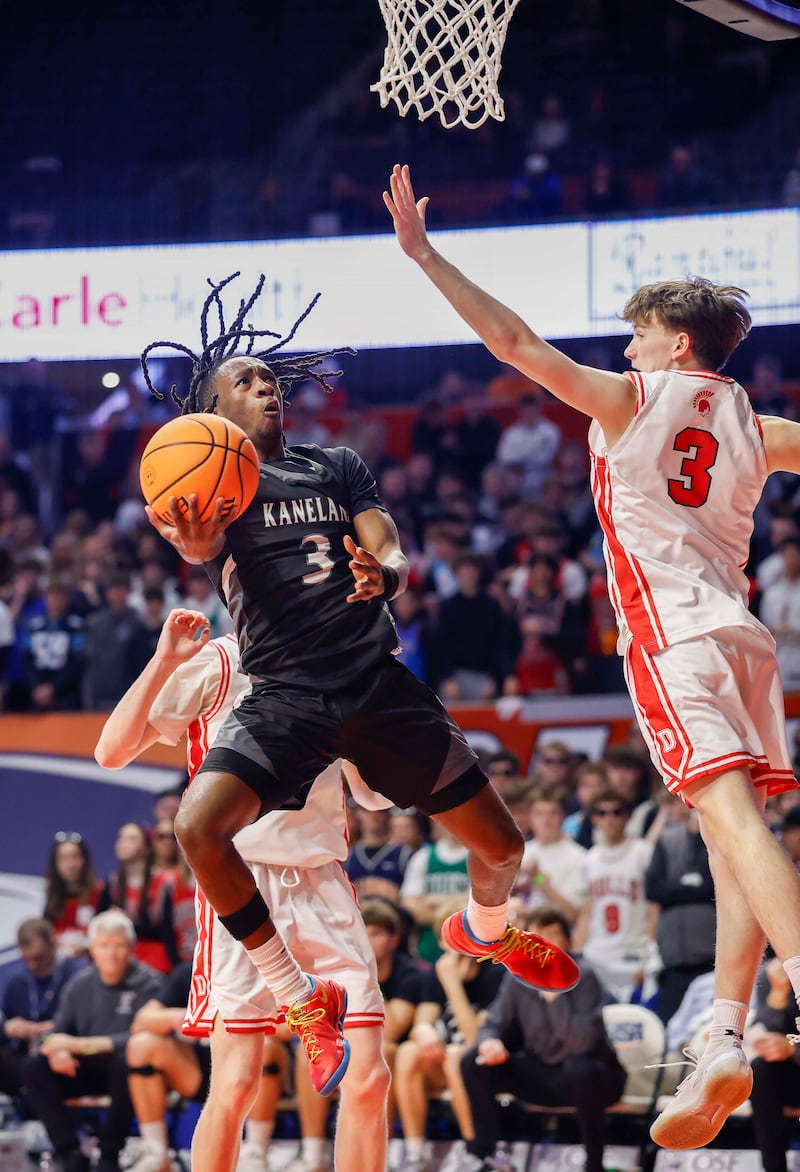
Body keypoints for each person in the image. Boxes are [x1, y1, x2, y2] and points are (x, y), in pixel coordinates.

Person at [384, 160, 800, 1150]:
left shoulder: (629, 398)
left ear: (673, 342)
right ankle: (724, 1033)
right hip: (743, 636)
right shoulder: (755, 420)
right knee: (727, 833)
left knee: (733, 825)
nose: (623, 344)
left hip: (671, 633)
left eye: (636, 332)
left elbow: (512, 340)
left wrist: (425, 255)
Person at [135, 274, 580, 1097]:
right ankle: (297, 999)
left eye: (273, 378)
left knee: (504, 847)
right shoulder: (211, 485)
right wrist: (194, 543)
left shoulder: (335, 465)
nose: (268, 386)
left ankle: (485, 931)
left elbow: (387, 537)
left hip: (376, 686)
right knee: (198, 829)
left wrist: (390, 568)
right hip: (286, 697)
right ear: (210, 408)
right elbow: (199, 552)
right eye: (248, 381)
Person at [95, 609, 393, 1172]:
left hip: (322, 880)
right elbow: (111, 752)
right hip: (240, 883)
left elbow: (374, 796)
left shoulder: (336, 664)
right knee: (234, 1082)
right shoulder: (220, 662)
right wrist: (164, 661)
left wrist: (383, 710)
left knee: (371, 1078)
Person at [459, 906, 626, 1172]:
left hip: (596, 1080)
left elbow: (580, 1044)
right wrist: (490, 1040)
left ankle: (594, 1163)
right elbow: (492, 1024)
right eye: (536, 934)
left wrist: (554, 993)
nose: (544, 941)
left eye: (553, 933)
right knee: (473, 1062)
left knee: (580, 1069)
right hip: (543, 1073)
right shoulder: (516, 979)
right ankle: (489, 1155)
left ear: (568, 943)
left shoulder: (584, 976)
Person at [22, 909, 164, 1172]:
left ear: (132, 948)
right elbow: (56, 1032)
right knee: (34, 1066)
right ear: (92, 950)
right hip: (83, 1068)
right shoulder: (79, 985)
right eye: (104, 945)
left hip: (128, 1072)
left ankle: (109, 1154)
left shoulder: (151, 984)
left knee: (129, 1060)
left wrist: (75, 1045)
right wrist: (56, 1051)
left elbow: (147, 1037)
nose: (111, 953)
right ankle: (70, 1153)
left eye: (119, 945)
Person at [0, 919, 85, 1100]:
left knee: (36, 1064)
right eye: (26, 959)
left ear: (53, 944)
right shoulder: (17, 981)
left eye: (38, 957)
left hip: (69, 1049)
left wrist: (54, 1028)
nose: (32, 965)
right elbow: (7, 1021)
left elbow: (90, 1020)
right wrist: (10, 1028)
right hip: (27, 1053)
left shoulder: (78, 974)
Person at [42, 832, 105, 958]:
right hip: (58, 959)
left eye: (75, 856)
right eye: (64, 858)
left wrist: (86, 947)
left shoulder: (100, 892)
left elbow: (106, 933)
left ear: (84, 860)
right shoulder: (50, 893)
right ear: (55, 863)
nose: (70, 864)